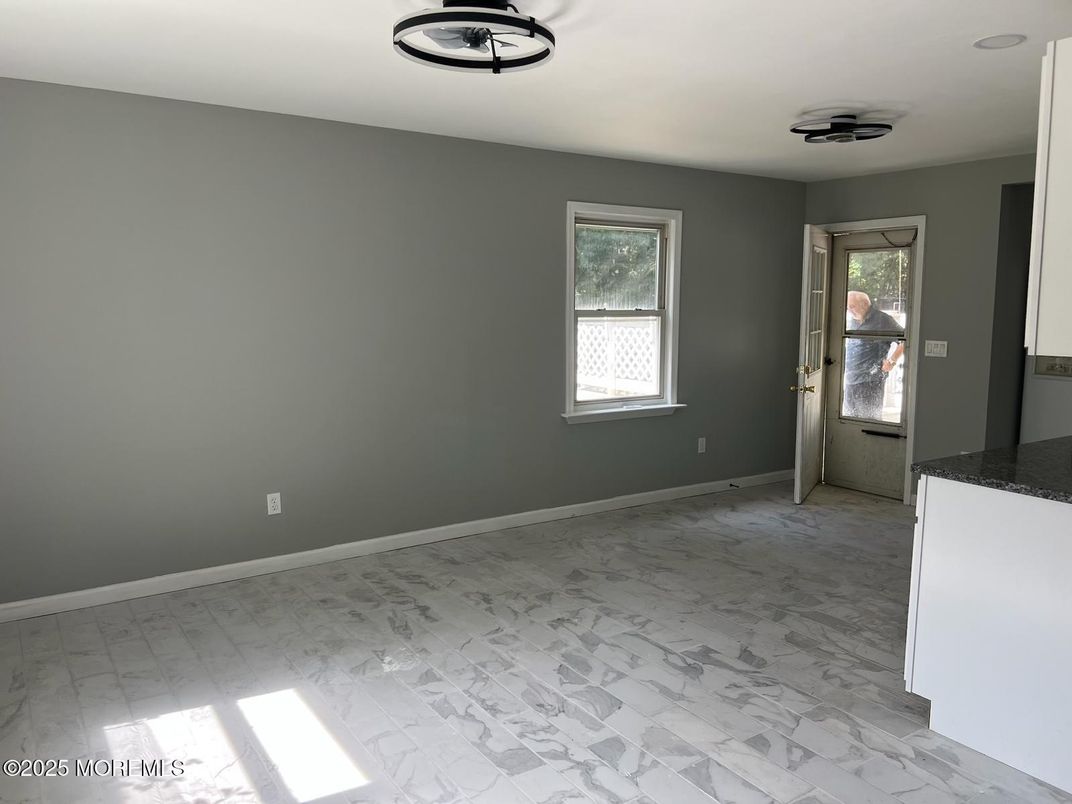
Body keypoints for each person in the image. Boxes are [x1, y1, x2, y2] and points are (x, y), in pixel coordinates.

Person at [843, 291, 905, 420]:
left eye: (852, 306)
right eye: (847, 307)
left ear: (865, 304)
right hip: (850, 379)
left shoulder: (883, 320)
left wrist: (892, 361)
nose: (849, 310)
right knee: (849, 420)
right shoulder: (852, 320)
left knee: (869, 422)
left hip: (870, 381)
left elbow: (906, 340)